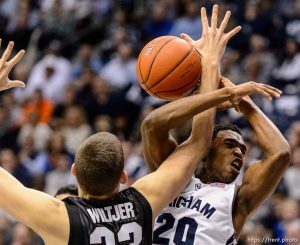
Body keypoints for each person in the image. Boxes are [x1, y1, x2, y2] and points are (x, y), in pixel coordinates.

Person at [0, 14, 281, 245]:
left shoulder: (58, 218)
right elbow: (199, 143)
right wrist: (207, 65)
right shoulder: (142, 204)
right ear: (124, 176)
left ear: (75, 171)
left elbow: (196, 142)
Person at [142, 7, 291, 245]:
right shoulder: (169, 174)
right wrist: (212, 80)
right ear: (205, 151)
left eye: (242, 149)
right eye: (230, 145)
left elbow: (281, 153)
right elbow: (152, 125)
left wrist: (244, 103)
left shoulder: (237, 200)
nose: (239, 153)